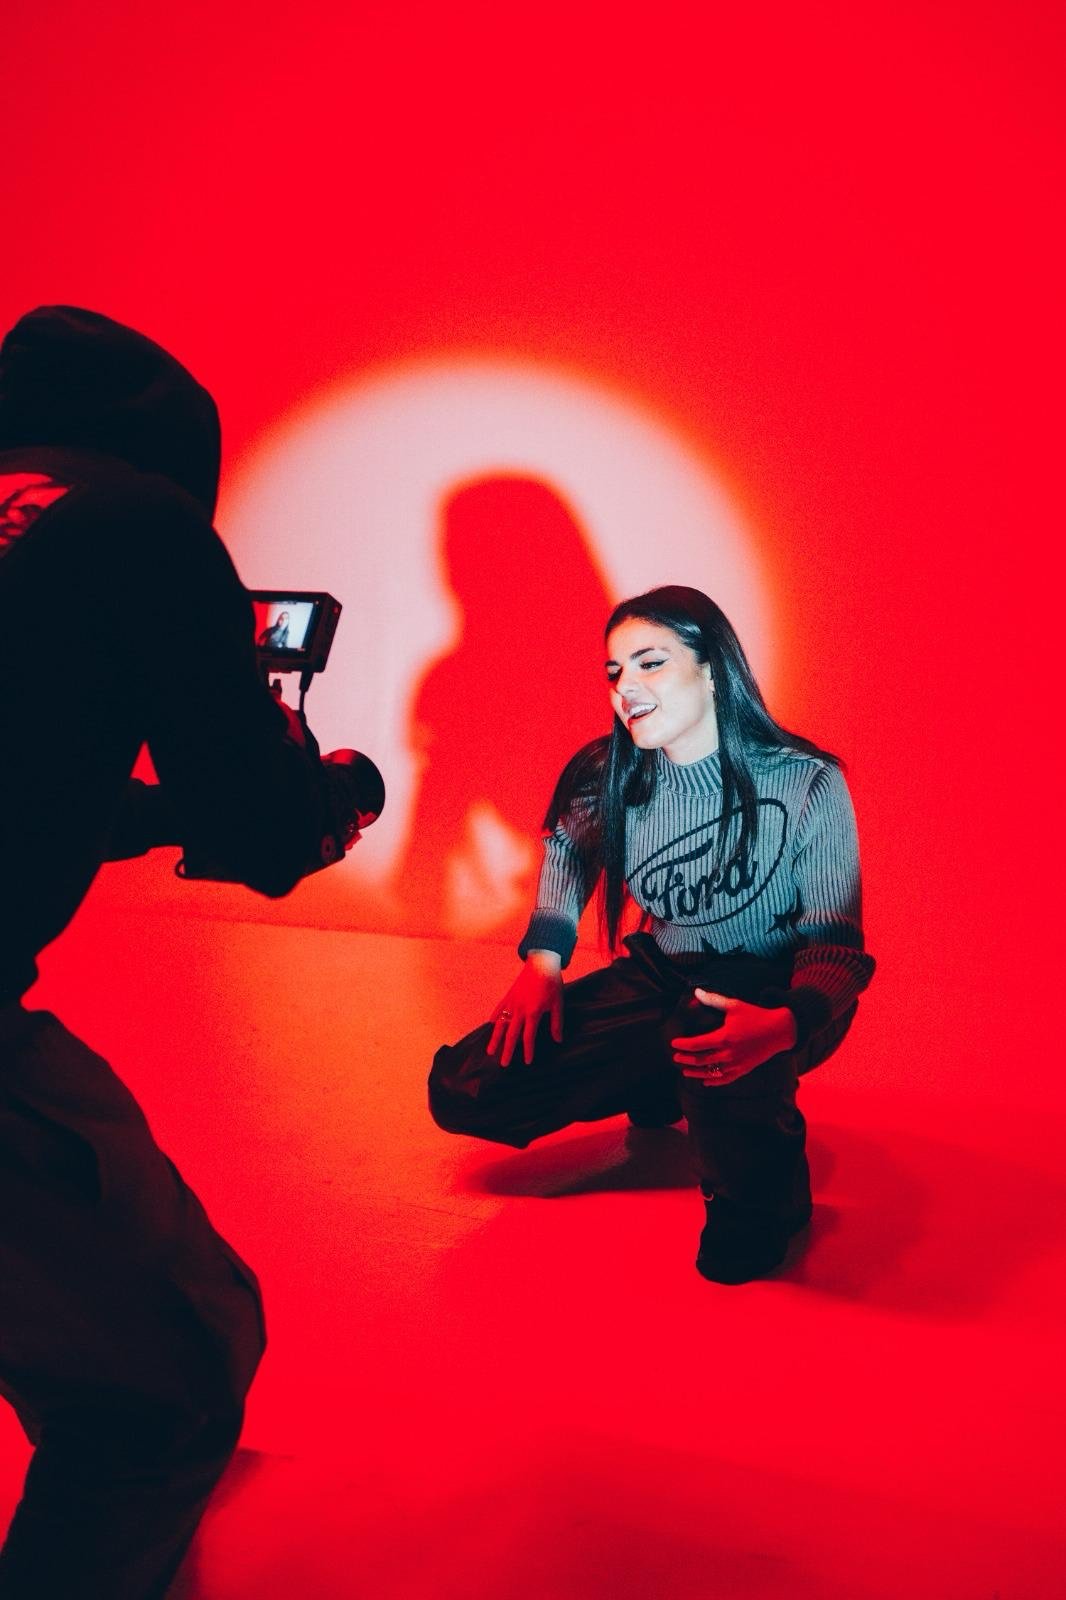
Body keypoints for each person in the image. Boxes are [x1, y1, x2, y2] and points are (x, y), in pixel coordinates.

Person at [0, 305, 380, 1598]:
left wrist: (159, 810)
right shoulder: (141, 522)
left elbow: (30, 778)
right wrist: (312, 796)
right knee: (166, 1382)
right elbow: (260, 832)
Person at [429, 585, 874, 1285]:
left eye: (650, 662)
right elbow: (566, 851)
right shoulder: (609, 774)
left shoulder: (806, 783)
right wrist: (543, 963)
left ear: (713, 669)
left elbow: (836, 947)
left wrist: (786, 1023)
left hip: (772, 991)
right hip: (662, 975)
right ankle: (667, 1075)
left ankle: (767, 1204)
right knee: (464, 1088)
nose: (625, 688)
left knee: (707, 1036)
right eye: (615, 671)